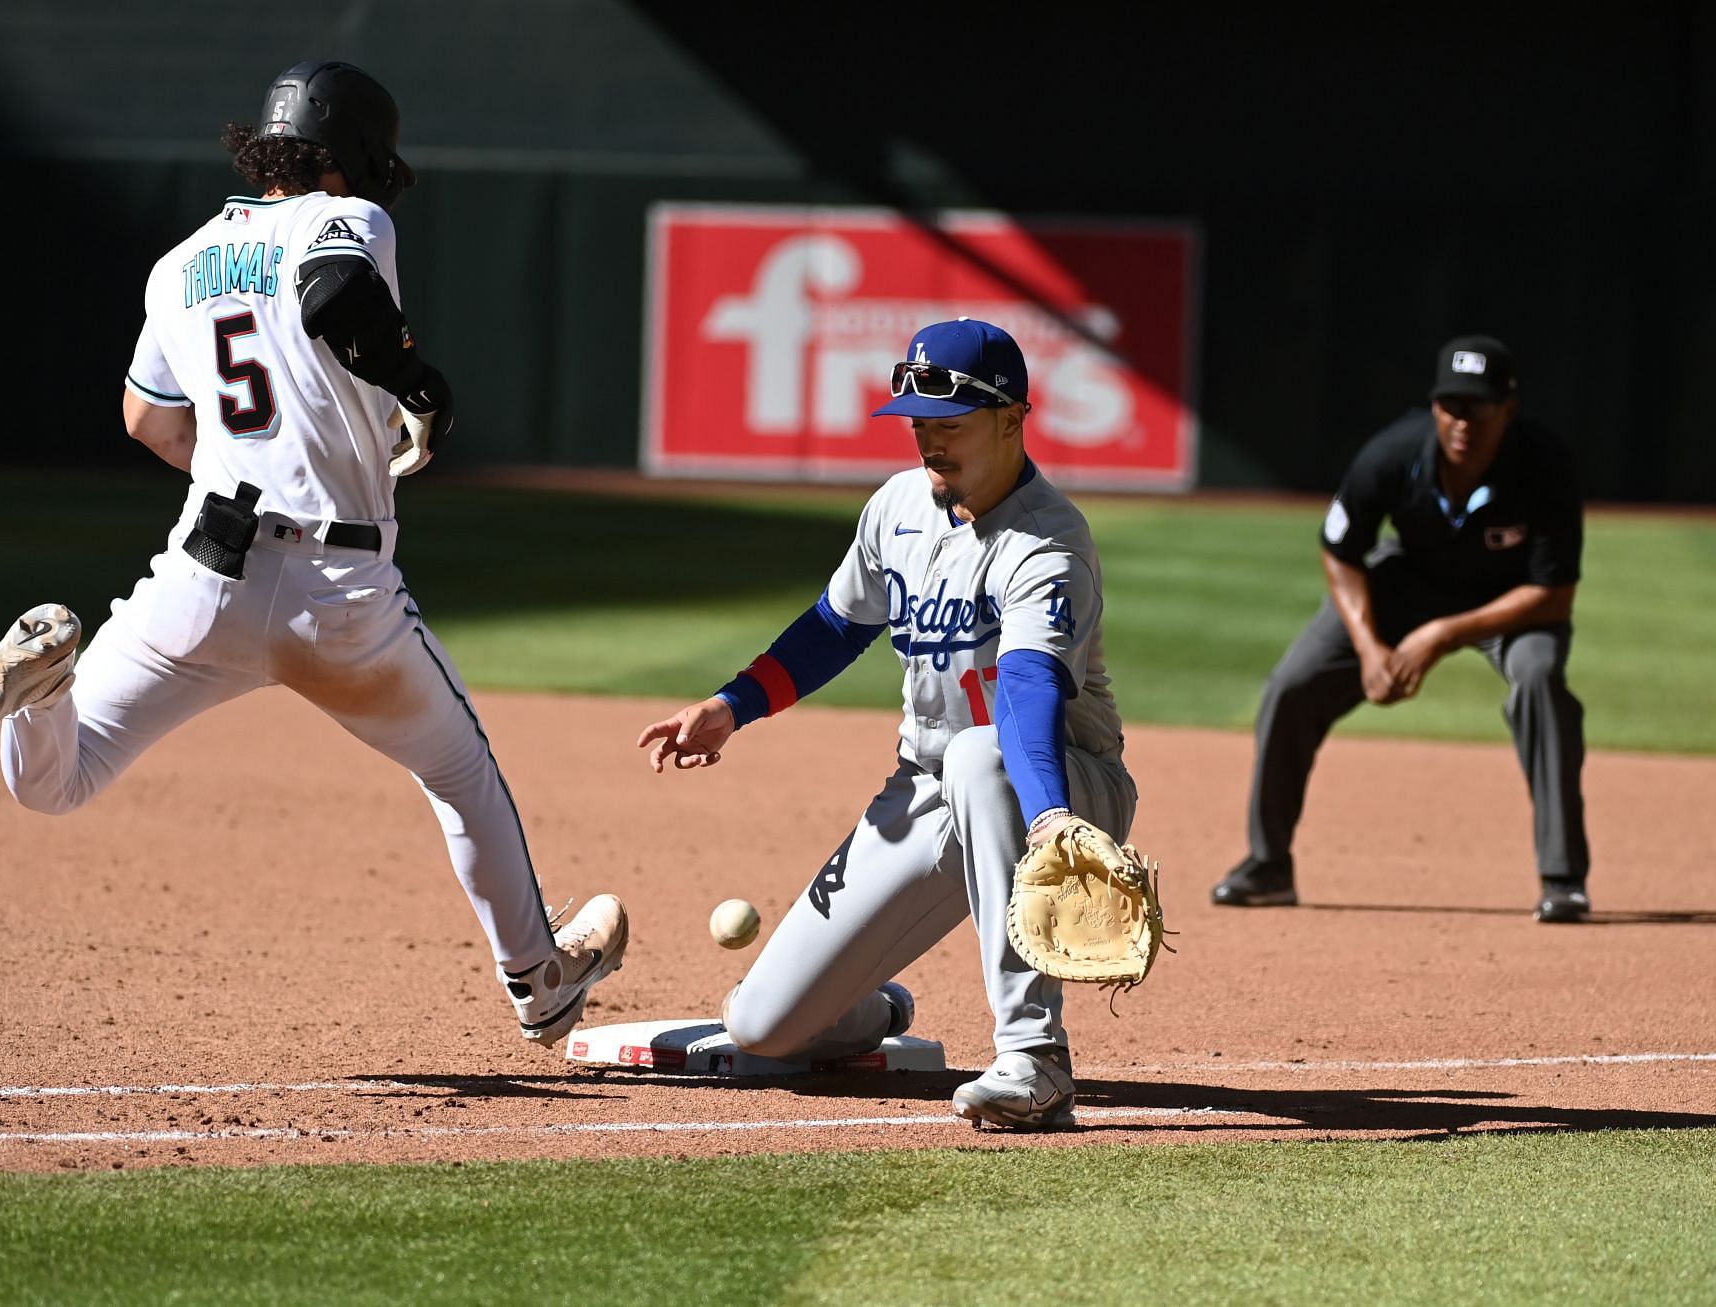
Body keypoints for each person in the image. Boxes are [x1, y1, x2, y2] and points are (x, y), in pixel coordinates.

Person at [0, 59, 626, 1045]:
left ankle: (41, 686)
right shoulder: (353, 220)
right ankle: (537, 980)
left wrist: (248, 455)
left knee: (56, 780)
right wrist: (418, 384)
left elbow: (143, 419)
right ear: (355, 160)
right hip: (341, 592)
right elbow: (335, 290)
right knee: (458, 772)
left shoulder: (178, 263)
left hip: (203, 572)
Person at [636, 318, 1137, 1130]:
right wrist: (732, 706)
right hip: (925, 790)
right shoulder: (899, 507)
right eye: (917, 422)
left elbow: (1026, 691)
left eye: (950, 425)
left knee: (982, 756)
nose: (928, 442)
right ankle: (876, 1007)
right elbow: (837, 625)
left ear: (1013, 418)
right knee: (762, 1027)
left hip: (1059, 782)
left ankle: (1035, 1060)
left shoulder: (1049, 540)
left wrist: (1048, 814)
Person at [1211, 335, 1591, 922]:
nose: (1463, 419)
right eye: (1452, 405)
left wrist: (1437, 636)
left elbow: (1553, 594)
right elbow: (1340, 551)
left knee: (1540, 678)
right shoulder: (1392, 454)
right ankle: (1268, 864)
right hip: (1407, 583)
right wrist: (1368, 648)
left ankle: (1563, 878)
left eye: (1480, 406)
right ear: (1435, 406)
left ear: (1508, 410)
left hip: (1510, 601)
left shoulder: (1545, 463)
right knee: (1294, 682)